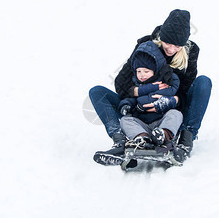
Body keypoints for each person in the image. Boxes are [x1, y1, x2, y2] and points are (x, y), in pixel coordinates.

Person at [89, 9, 212, 166]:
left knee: (204, 82)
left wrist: (171, 99)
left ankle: (185, 141)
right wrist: (138, 92)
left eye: (177, 46)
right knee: (97, 92)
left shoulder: (191, 51)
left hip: (171, 113)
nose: (171, 49)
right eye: (168, 43)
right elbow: (121, 83)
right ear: (161, 38)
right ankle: (120, 142)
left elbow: (186, 89)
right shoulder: (145, 47)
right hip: (140, 109)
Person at [118, 41, 183, 150]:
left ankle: (164, 135)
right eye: (138, 71)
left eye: (146, 71)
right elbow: (130, 99)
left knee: (175, 114)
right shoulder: (136, 84)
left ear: (155, 70)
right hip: (142, 123)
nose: (142, 75)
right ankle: (142, 138)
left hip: (160, 120)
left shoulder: (163, 82)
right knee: (126, 120)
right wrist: (126, 105)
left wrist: (155, 90)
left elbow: (173, 89)